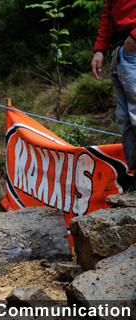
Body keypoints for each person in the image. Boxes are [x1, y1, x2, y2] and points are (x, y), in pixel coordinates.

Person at [91, 0, 136, 201]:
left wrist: (134, 38)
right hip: (119, 50)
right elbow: (108, 10)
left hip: (132, 44)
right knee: (124, 119)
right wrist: (100, 49)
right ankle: (135, 177)